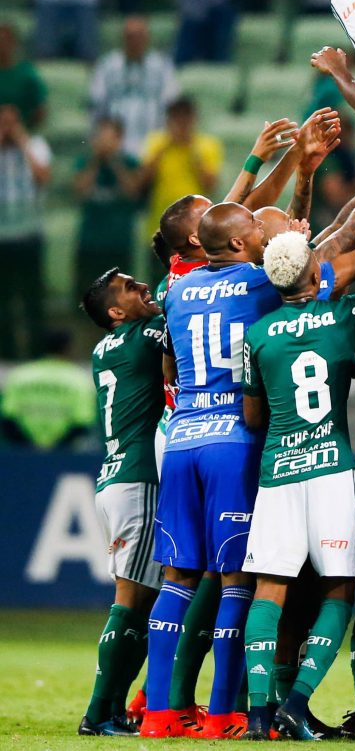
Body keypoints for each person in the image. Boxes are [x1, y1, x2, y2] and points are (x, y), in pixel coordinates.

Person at [241, 231, 355, 740]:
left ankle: (259, 713)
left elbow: (253, 414)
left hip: (278, 472)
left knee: (269, 588)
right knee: (338, 589)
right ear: (312, 274)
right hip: (329, 471)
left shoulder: (256, 335)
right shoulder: (344, 319)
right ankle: (298, 703)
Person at [140, 204, 272, 740]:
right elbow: (329, 264)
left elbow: (169, 364)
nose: (263, 235)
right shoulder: (257, 283)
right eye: (255, 230)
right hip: (231, 443)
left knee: (177, 581)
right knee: (235, 581)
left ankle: (156, 715)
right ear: (237, 244)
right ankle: (221, 715)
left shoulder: (176, 291)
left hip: (182, 438)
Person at [78, 270, 165, 736]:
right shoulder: (142, 336)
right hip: (138, 480)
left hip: (113, 479)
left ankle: (112, 709)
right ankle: (97, 712)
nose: (144, 288)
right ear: (116, 312)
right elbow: (182, 308)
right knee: (131, 602)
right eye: (132, 289)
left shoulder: (102, 349)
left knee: (144, 604)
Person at [0, 103, 51, 360]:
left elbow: (43, 177)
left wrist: (22, 143)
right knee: (2, 303)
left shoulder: (36, 146)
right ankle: (6, 356)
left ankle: (35, 355)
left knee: (32, 300)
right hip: (1, 237)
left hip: (29, 233)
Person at [89, 16, 180, 157]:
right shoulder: (107, 65)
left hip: (154, 143)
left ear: (148, 38)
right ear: (122, 39)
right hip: (115, 145)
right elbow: (97, 105)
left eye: (140, 36)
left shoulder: (162, 66)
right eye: (130, 37)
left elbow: (172, 104)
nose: (135, 41)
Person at [73, 117, 143, 297]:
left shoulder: (129, 162)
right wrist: (96, 161)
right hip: (90, 241)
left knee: (118, 298)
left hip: (119, 242)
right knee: (88, 299)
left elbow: (132, 191)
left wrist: (114, 161)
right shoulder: (85, 162)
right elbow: (80, 191)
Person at [140, 96, 223, 242]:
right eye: (177, 118)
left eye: (186, 118)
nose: (182, 124)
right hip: (161, 222)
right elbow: (143, 181)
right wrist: (164, 148)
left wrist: (193, 151)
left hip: (195, 226)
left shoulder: (207, 145)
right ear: (168, 120)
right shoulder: (156, 142)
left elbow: (211, 185)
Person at [0, 329, 96, 450]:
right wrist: (55, 449)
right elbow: (82, 422)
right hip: (64, 454)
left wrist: (31, 447)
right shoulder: (78, 378)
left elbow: (8, 418)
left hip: (23, 452)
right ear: (68, 348)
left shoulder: (19, 375)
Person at [0, 23, 47, 131]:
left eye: (5, 41)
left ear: (14, 43)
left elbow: (40, 110)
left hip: (21, 131)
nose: (2, 46)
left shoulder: (27, 74)